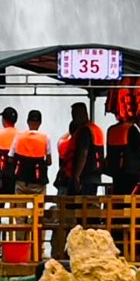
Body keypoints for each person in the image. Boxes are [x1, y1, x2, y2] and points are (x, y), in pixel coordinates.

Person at [50, 100, 103, 264]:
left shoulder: (85, 132)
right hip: (93, 177)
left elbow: (83, 153)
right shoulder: (93, 130)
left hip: (83, 178)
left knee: (79, 214)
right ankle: (84, 249)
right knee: (85, 214)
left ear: (81, 114)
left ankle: (77, 249)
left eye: (74, 114)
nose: (73, 118)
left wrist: (76, 176)